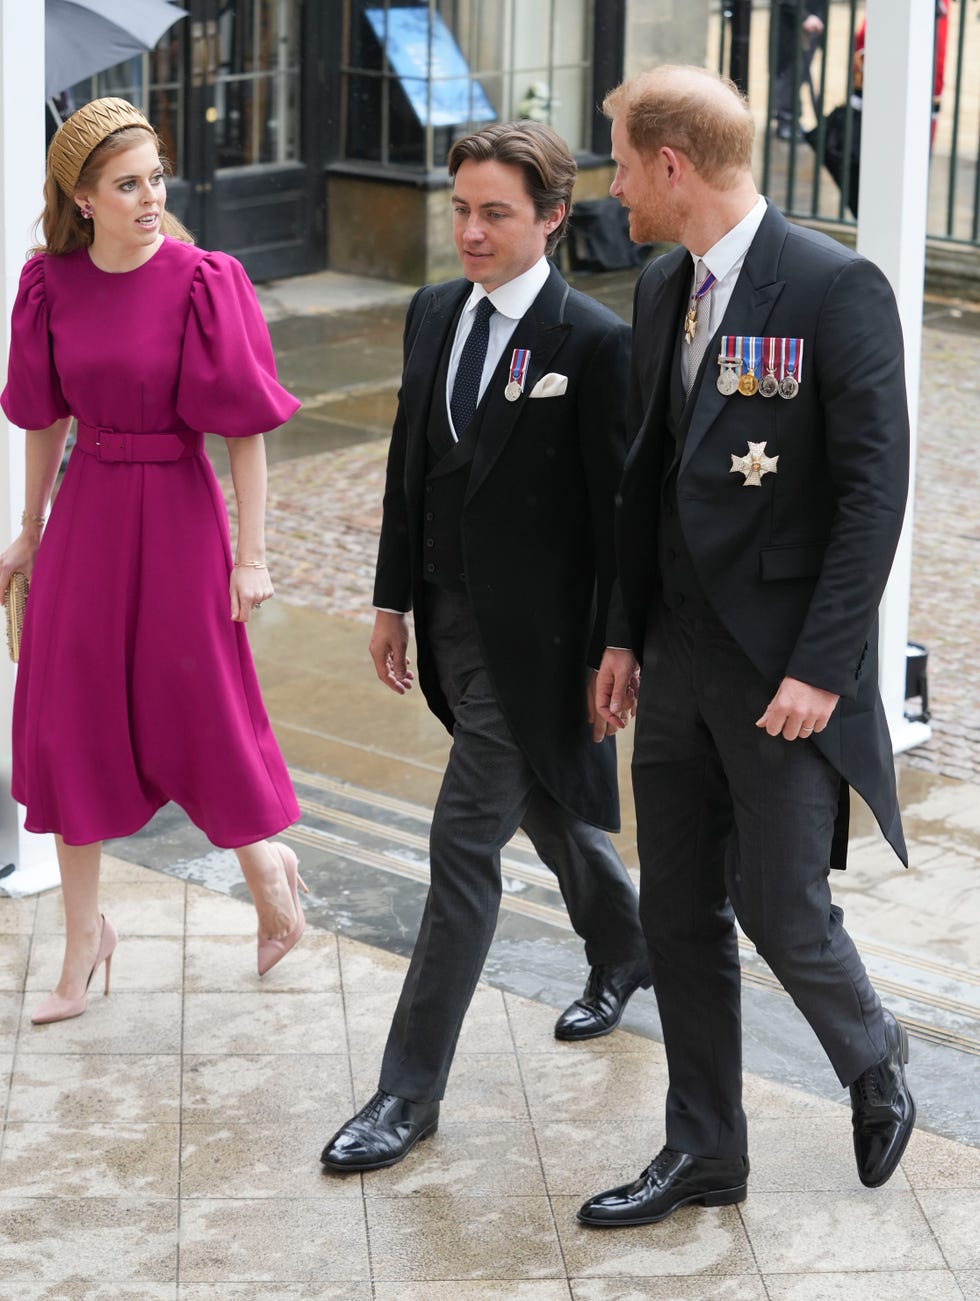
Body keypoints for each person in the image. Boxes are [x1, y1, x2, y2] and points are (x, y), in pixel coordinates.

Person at [576, 65, 915, 1229]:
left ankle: (871, 1052)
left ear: (671, 166)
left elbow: (873, 494)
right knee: (673, 909)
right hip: (671, 658)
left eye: (620, 160)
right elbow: (644, 481)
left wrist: (822, 665)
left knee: (777, 901)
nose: (610, 185)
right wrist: (619, 633)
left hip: (779, 668)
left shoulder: (832, 287)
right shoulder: (660, 280)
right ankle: (703, 1150)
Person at [320, 120, 650, 1173]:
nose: (469, 231)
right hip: (448, 619)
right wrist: (388, 602)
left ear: (551, 217)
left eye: (494, 213)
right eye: (460, 209)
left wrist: (616, 644)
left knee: (463, 844)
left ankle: (404, 1093)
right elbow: (407, 471)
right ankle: (627, 944)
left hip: (544, 642)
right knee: (548, 807)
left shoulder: (592, 342)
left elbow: (616, 515)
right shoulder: (431, 312)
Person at [0, 97, 305, 1026]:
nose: (150, 198)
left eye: (156, 179)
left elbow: (245, 432)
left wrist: (250, 555)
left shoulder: (205, 280)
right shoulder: (49, 285)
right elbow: (46, 415)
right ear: (82, 199)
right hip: (89, 514)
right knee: (67, 724)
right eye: (127, 185)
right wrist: (30, 526)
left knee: (201, 708)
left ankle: (270, 872)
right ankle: (83, 943)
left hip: (177, 512)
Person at [773, 0, 826, 141]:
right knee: (790, 73)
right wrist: (804, 16)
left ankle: (792, 119)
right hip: (794, 23)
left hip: (810, 21)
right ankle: (786, 121)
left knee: (799, 74)